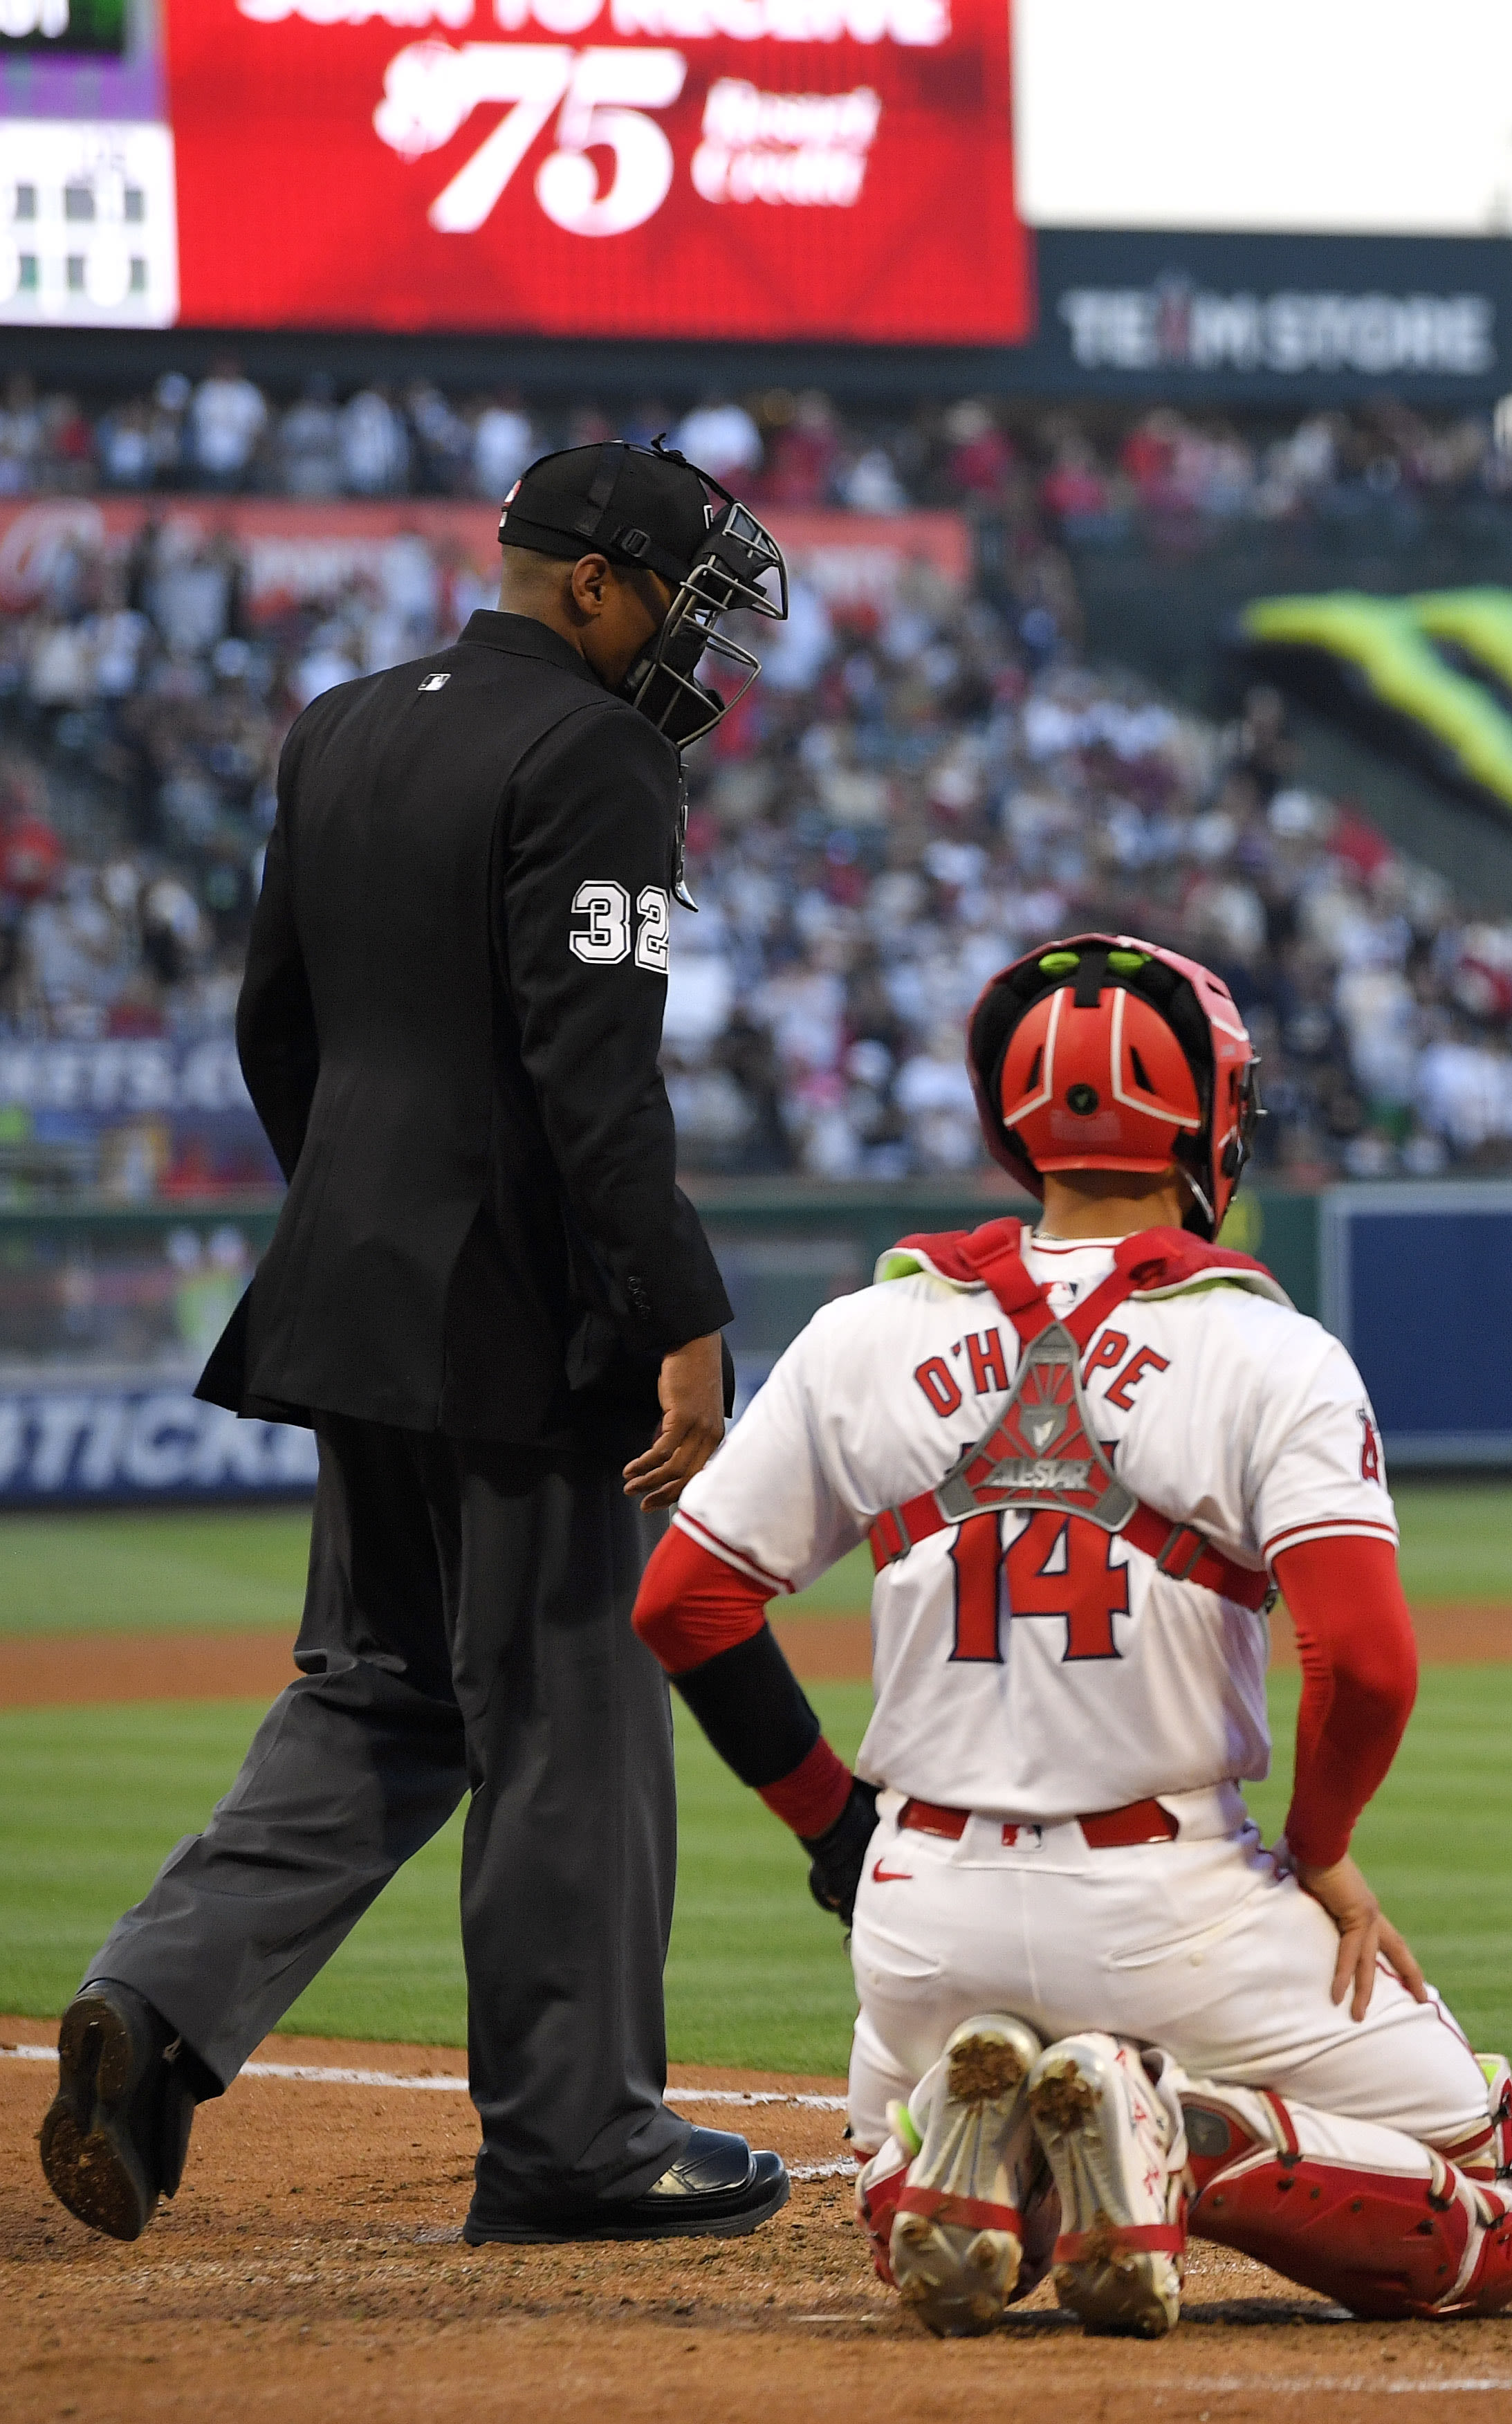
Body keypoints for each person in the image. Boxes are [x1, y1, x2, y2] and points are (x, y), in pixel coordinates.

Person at [35, 443, 795, 2248]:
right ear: (594, 586)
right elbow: (591, 1076)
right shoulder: (595, 754)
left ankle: (152, 2010)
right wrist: (679, 1311)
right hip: (524, 1310)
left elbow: (270, 1025)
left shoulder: (340, 721)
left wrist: (367, 1228)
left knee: (376, 1690)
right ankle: (574, 2139)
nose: (695, 653)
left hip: (351, 1286)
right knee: (564, 1719)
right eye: (684, 607)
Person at [630, 933, 1512, 2336]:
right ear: (1214, 1122)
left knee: (928, 2174)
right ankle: (1179, 2128)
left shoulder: (862, 1331)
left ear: (1010, 1123)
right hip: (1171, 1906)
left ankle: (962, 2144)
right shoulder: (1271, 1353)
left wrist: (837, 1830)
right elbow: (1364, 1660)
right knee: (1495, 2207)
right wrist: (1324, 1853)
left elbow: (684, 1604)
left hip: (920, 1910)